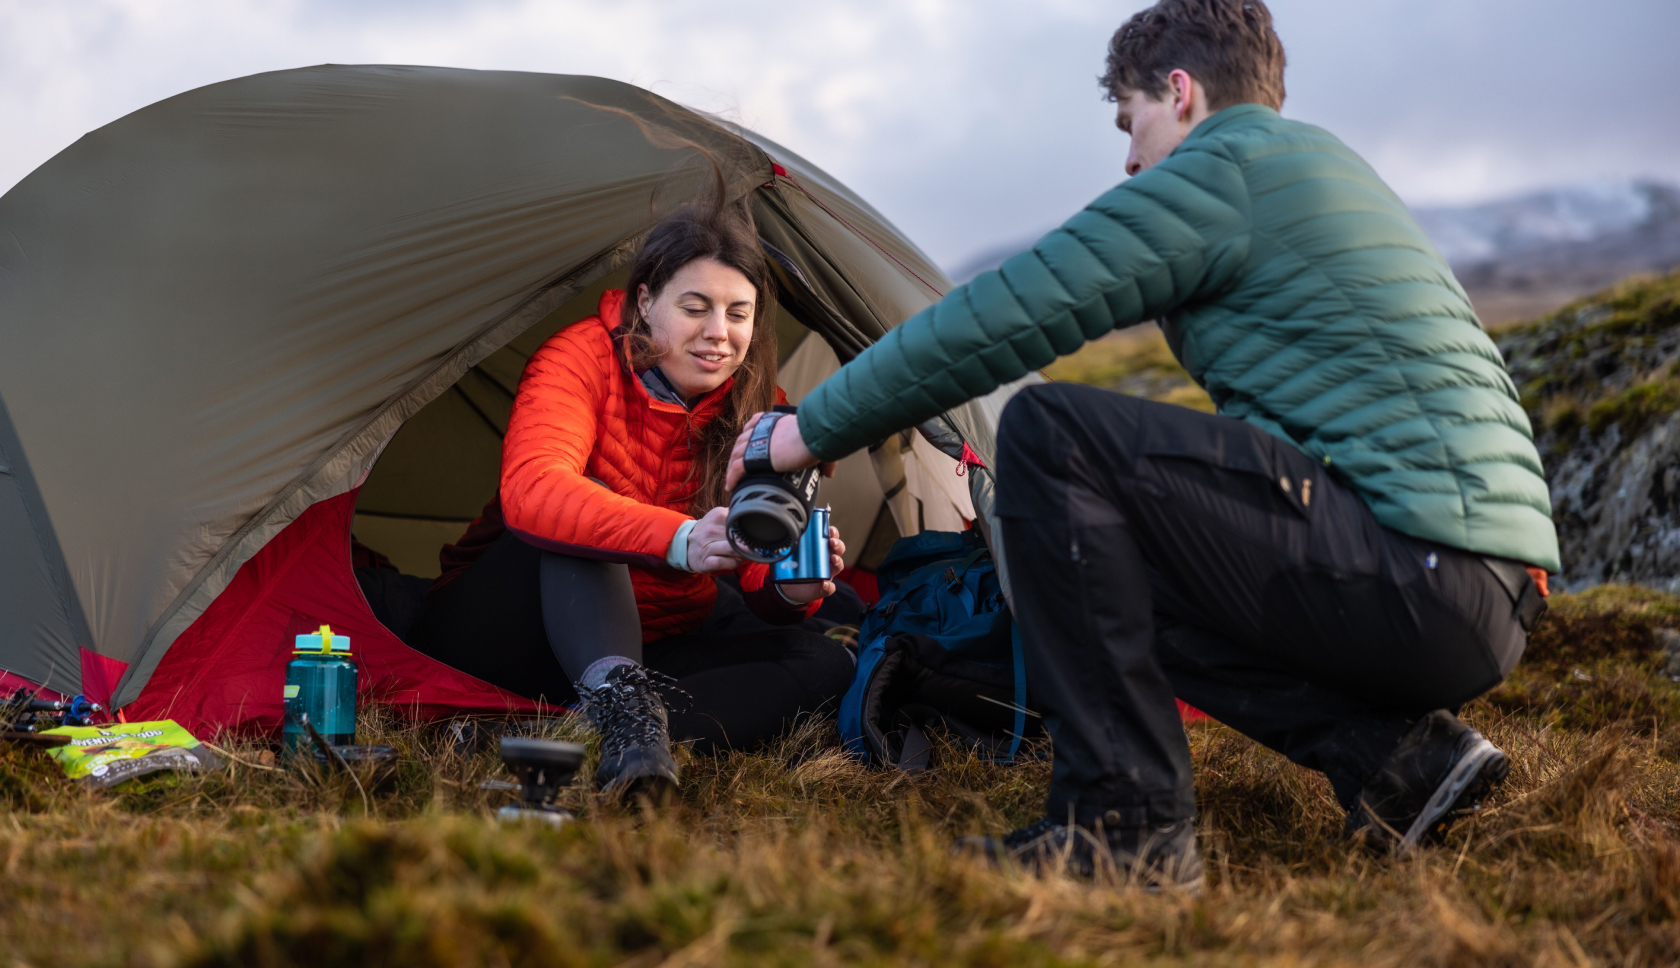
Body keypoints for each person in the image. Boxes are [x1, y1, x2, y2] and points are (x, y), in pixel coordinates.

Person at [729, 0, 1557, 885]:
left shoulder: (1227, 169)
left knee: (1053, 432)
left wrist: (804, 430)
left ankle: (1121, 824)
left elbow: (1001, 317)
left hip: (1417, 571)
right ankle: (1401, 762)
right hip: (1474, 593)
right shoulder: (1315, 170)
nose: (1128, 156)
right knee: (1122, 562)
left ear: (1181, 90)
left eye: (1132, 122)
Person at [409, 191, 856, 802]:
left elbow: (755, 570)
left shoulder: (760, 405)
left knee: (826, 665)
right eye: (695, 307)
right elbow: (534, 489)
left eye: (739, 313)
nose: (718, 334)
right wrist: (680, 539)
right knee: (576, 510)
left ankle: (595, 735)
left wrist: (790, 589)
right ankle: (618, 715)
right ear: (645, 302)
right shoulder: (581, 357)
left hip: (655, 643)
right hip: (511, 626)